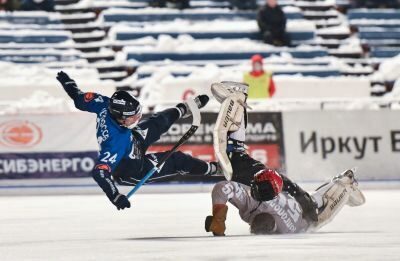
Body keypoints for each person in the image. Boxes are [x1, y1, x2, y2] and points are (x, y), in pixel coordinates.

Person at [204, 81, 365, 235]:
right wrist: (218, 218)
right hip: (278, 187)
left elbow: (224, 188)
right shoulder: (290, 226)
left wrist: (219, 216)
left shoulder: (278, 217)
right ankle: (346, 184)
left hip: (278, 188)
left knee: (314, 205)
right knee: (313, 212)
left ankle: (343, 182)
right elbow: (224, 188)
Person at [56, 71, 219, 211]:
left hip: (132, 141)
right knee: (177, 160)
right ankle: (213, 169)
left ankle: (185, 109)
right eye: (132, 117)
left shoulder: (103, 103)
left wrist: (68, 83)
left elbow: (79, 99)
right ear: (120, 118)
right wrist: (115, 196)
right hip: (133, 168)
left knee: (158, 120)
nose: (137, 118)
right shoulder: (114, 144)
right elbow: (99, 172)